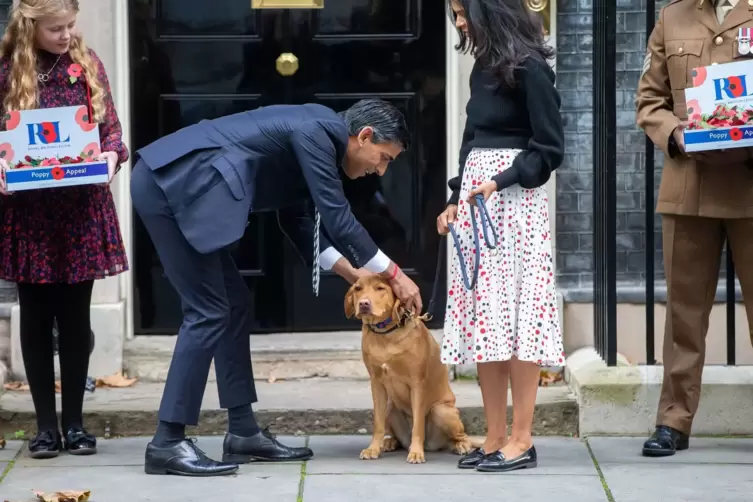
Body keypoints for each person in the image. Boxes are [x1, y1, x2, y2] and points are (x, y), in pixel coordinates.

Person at [131, 99, 422, 477]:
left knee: (233, 303)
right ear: (364, 136)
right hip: (171, 186)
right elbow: (337, 216)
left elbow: (300, 223)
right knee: (208, 310)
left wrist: (352, 273)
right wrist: (394, 272)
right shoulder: (317, 131)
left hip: (184, 188)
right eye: (383, 157)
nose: (379, 170)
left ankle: (242, 432)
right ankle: (167, 442)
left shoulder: (319, 141)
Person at [436, 0, 565, 473]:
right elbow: (472, 138)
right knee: (487, 320)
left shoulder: (529, 67)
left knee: (518, 317)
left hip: (514, 204)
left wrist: (503, 179)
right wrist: (455, 197)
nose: (459, 21)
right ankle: (493, 437)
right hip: (477, 203)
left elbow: (550, 146)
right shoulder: (481, 67)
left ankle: (522, 439)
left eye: (462, 10)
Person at [0, 0, 128, 459]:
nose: (67, 34)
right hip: (29, 215)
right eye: (57, 28)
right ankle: (44, 428)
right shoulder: (6, 71)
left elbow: (112, 133)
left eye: (72, 25)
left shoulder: (85, 63)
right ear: (29, 26)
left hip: (80, 213)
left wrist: (110, 159)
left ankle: (75, 424)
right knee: (35, 319)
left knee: (75, 320)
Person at [636, 0, 753, 457]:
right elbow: (649, 100)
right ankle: (673, 421)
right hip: (689, 186)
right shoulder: (672, 16)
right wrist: (677, 134)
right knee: (684, 315)